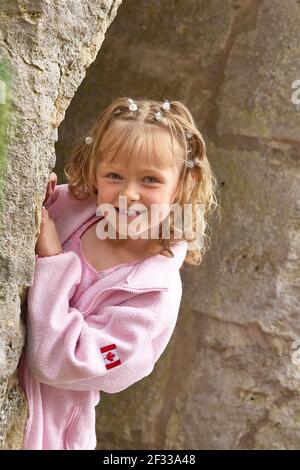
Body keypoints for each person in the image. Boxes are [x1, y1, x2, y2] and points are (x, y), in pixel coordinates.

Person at [17, 97, 220, 450]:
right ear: (96, 169)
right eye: (114, 175)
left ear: (184, 183)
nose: (128, 194)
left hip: (46, 435)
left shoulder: (154, 299)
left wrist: (52, 259)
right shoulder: (73, 208)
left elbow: (55, 362)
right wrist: (34, 195)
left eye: (150, 180)